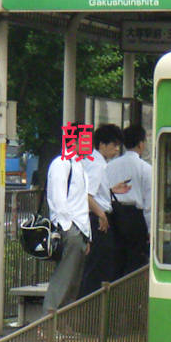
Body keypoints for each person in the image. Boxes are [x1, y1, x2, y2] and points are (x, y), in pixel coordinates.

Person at [41, 139, 94, 316]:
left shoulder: (78, 165)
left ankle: (62, 321)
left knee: (73, 279)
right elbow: (58, 198)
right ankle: (49, 319)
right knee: (64, 276)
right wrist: (68, 227)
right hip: (71, 228)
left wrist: (86, 236)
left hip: (79, 229)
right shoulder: (61, 164)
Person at [78, 124, 131, 295]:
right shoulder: (97, 164)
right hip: (96, 220)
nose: (116, 150)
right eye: (113, 145)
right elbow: (87, 195)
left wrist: (111, 189)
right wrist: (101, 215)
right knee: (99, 268)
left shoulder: (89, 160)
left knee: (92, 267)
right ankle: (90, 310)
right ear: (101, 144)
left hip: (89, 219)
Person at [105, 124, 152, 276]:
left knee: (115, 260)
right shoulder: (145, 168)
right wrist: (151, 229)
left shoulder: (109, 166)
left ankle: (113, 295)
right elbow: (149, 203)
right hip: (135, 218)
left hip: (113, 215)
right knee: (135, 261)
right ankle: (130, 297)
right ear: (141, 143)